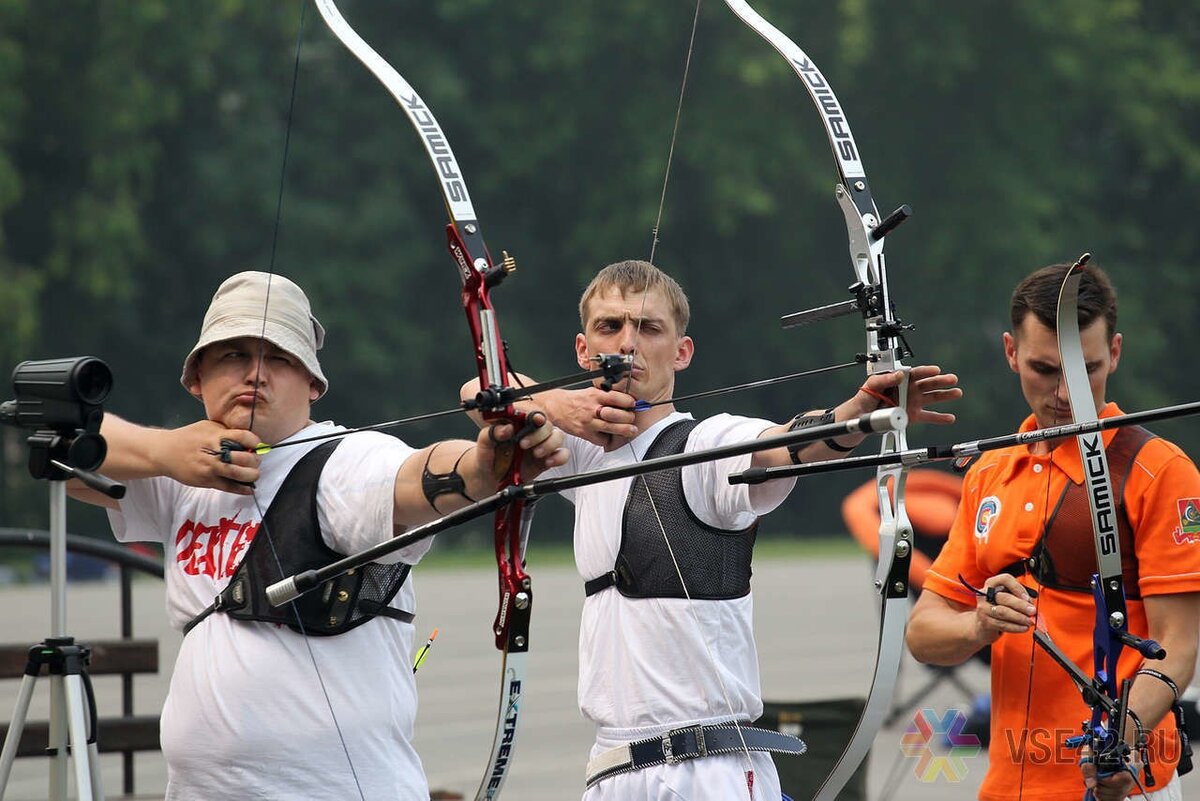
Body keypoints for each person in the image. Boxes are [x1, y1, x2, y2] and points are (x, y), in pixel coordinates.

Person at [463, 259, 962, 799]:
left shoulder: (705, 445)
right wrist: (558, 405)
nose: (627, 343)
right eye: (610, 327)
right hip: (612, 768)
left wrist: (859, 414)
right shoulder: (580, 453)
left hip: (706, 771)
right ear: (583, 351)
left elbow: (784, 444)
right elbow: (479, 391)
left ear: (682, 352)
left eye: (649, 328)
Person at [68, 270, 566, 801]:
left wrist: (483, 469)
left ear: (312, 384)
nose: (255, 373)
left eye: (279, 358)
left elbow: (418, 476)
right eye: (233, 355)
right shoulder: (178, 475)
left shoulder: (344, 462)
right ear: (197, 379)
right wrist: (165, 454)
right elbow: (57, 448)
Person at [907, 262, 1200, 801]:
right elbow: (923, 633)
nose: (1066, 392)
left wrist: (1119, 739)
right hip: (1009, 782)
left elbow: (1177, 646)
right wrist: (978, 626)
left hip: (1121, 782)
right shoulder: (990, 472)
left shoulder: (1160, 470)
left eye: (1085, 368)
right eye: (1044, 368)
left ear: (1114, 352)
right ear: (1010, 353)